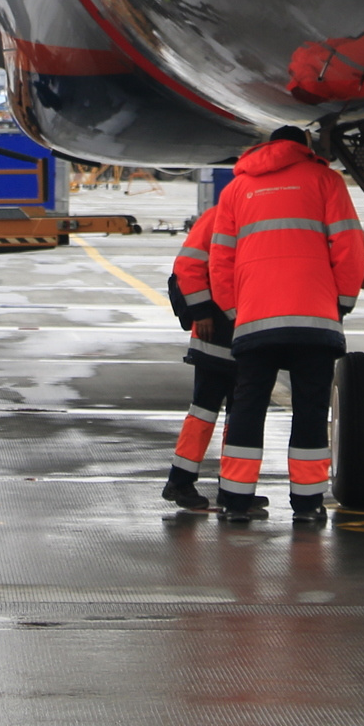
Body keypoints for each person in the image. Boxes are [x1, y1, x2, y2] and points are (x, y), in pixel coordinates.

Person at [208, 126, 364, 523]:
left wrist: (234, 310)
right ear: (304, 147)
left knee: (247, 407)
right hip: (314, 319)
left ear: (267, 146)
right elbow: (349, 244)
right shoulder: (325, 180)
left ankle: (235, 501)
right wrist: (342, 301)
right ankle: (308, 505)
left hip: (255, 317)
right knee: (310, 410)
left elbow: (220, 258)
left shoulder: (236, 188)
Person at [160, 204, 235, 511]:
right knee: (208, 409)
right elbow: (188, 266)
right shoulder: (223, 215)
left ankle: (229, 487)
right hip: (217, 333)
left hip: (239, 331)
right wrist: (202, 312)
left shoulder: (228, 213)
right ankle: (183, 482)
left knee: (231, 413)